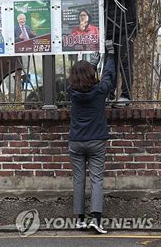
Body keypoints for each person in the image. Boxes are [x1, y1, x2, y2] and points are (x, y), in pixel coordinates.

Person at [67, 40, 116, 235]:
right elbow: (109, 75)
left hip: (76, 141)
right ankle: (96, 220)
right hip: (96, 141)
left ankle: (80, 220)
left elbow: (82, 82)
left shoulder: (72, 92)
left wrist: (92, 64)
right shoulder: (100, 91)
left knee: (79, 180)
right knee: (97, 180)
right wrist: (110, 55)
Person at [90, 0, 137, 106]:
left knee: (125, 62)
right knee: (110, 63)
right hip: (107, 29)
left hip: (125, 27)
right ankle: (109, 94)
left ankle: (125, 95)